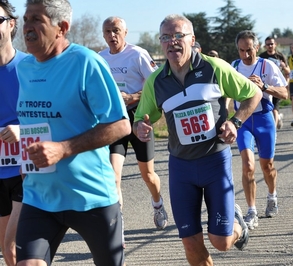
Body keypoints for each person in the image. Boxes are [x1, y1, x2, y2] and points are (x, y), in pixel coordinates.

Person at [133, 14, 262, 265]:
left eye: (179, 35)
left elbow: (254, 93)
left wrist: (235, 122)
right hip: (181, 167)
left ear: (192, 39)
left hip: (215, 162)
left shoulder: (214, 67)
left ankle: (239, 227)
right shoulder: (155, 81)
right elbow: (141, 117)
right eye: (166, 37)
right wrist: (141, 127)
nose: (172, 42)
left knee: (221, 242)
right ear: (161, 43)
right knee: (191, 243)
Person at [15, 1, 130, 265]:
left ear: (61, 28)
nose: (27, 27)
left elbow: (121, 125)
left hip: (91, 198)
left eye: (36, 20)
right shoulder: (25, 68)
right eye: (25, 19)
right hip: (39, 197)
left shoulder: (85, 62)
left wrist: (63, 149)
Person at [99, 16, 168, 230]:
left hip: (139, 119)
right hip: (115, 121)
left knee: (147, 175)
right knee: (113, 176)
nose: (112, 35)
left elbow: (156, 84)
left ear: (125, 32)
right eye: (108, 31)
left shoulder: (137, 55)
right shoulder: (100, 58)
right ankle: (117, 223)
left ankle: (157, 204)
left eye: (116, 30)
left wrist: (134, 97)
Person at [229, 30, 288, 229]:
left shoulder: (267, 65)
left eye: (249, 50)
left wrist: (265, 87)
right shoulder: (234, 67)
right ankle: (251, 210)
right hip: (243, 122)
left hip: (264, 120)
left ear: (257, 48)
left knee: (267, 166)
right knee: (247, 165)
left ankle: (272, 195)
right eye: (241, 50)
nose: (245, 55)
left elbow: (285, 92)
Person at [0, 1, 27, 265]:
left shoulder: (30, 68)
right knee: (8, 252)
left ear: (11, 24)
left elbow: (54, 117)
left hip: (25, 169)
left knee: (14, 246)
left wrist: (22, 129)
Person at [258, 36, 290, 129]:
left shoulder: (280, 56)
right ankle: (278, 118)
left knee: (275, 109)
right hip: (264, 86)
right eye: (268, 44)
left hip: (276, 86)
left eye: (271, 44)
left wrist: (283, 66)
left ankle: (273, 131)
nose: (270, 46)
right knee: (268, 108)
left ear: (275, 45)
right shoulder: (262, 57)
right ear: (265, 46)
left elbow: (288, 71)